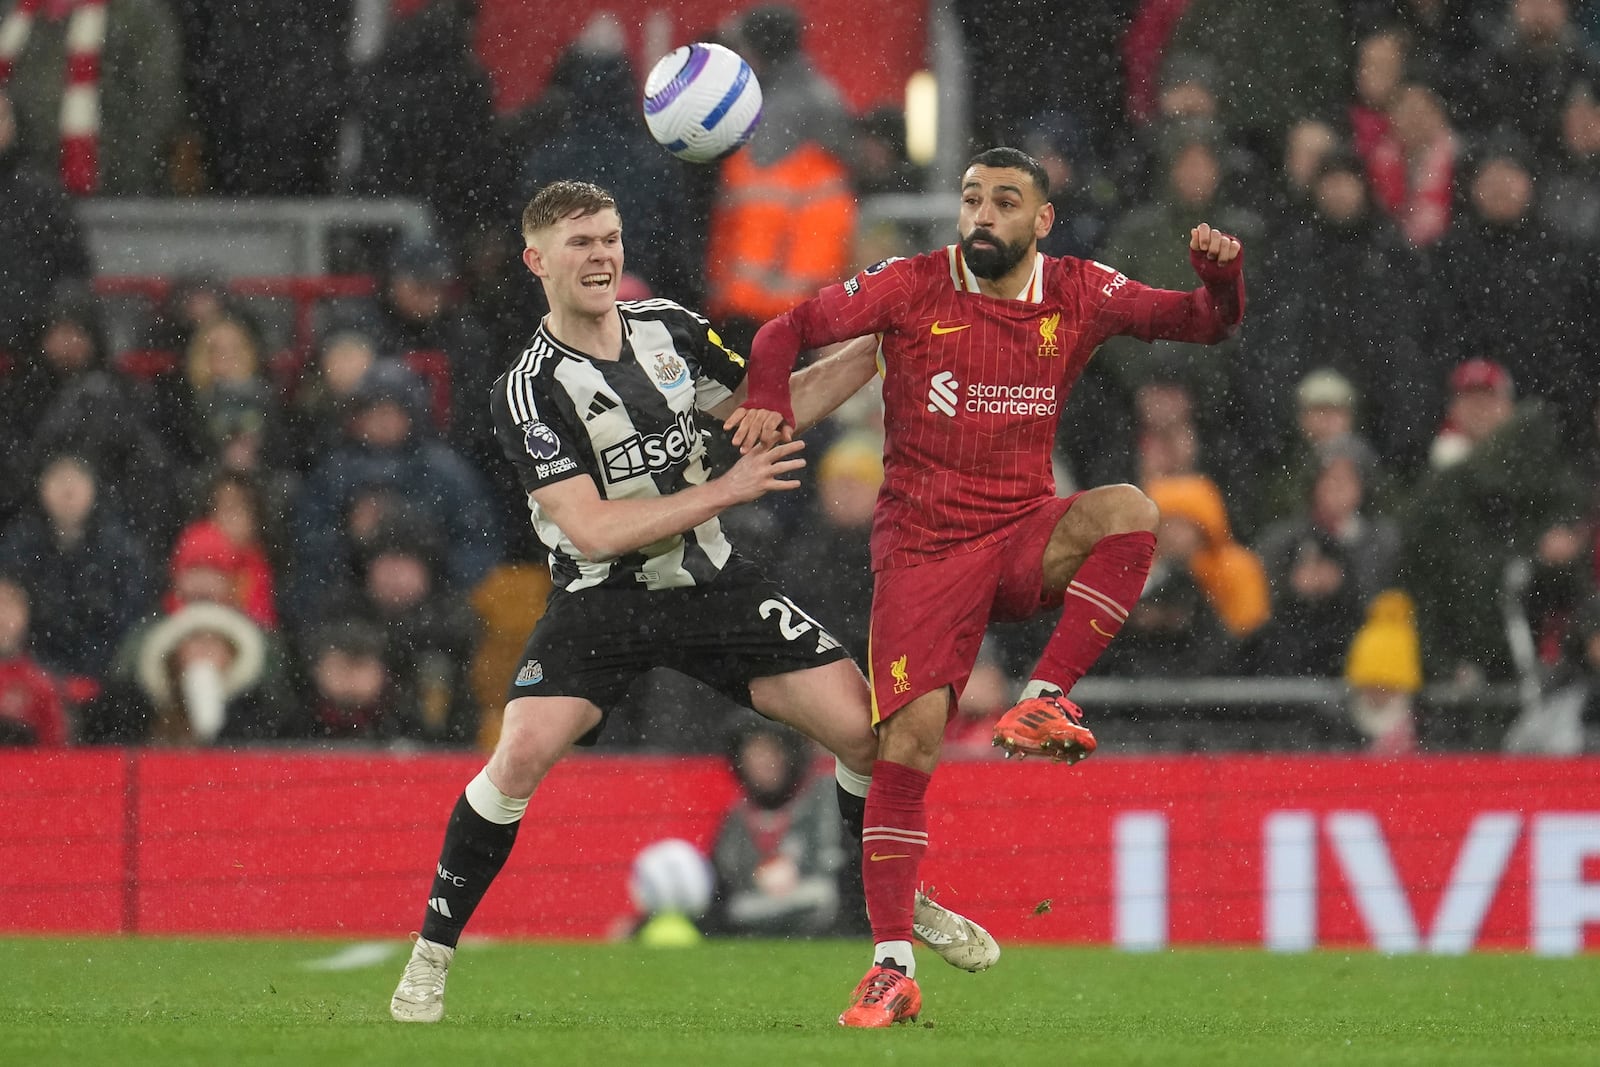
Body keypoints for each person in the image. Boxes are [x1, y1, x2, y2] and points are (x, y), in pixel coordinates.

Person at [388, 180, 997, 1026]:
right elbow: (593, 530)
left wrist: (882, 343)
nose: (601, 254)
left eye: (609, 236)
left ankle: (902, 897)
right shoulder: (528, 390)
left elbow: (767, 414)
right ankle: (429, 958)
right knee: (519, 754)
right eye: (579, 243)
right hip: (603, 599)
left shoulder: (670, 329)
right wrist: (728, 489)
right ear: (537, 262)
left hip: (711, 584)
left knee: (867, 733)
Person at [730, 146, 1245, 1026]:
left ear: (1040, 220)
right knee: (910, 749)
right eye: (972, 198)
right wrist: (768, 396)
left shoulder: (1079, 290)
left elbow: (1203, 322)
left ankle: (1044, 699)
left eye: (1005, 201)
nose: (983, 214)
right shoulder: (911, 283)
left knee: (1128, 509)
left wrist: (1222, 280)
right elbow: (784, 330)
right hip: (922, 556)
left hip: (1018, 536)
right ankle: (892, 965)